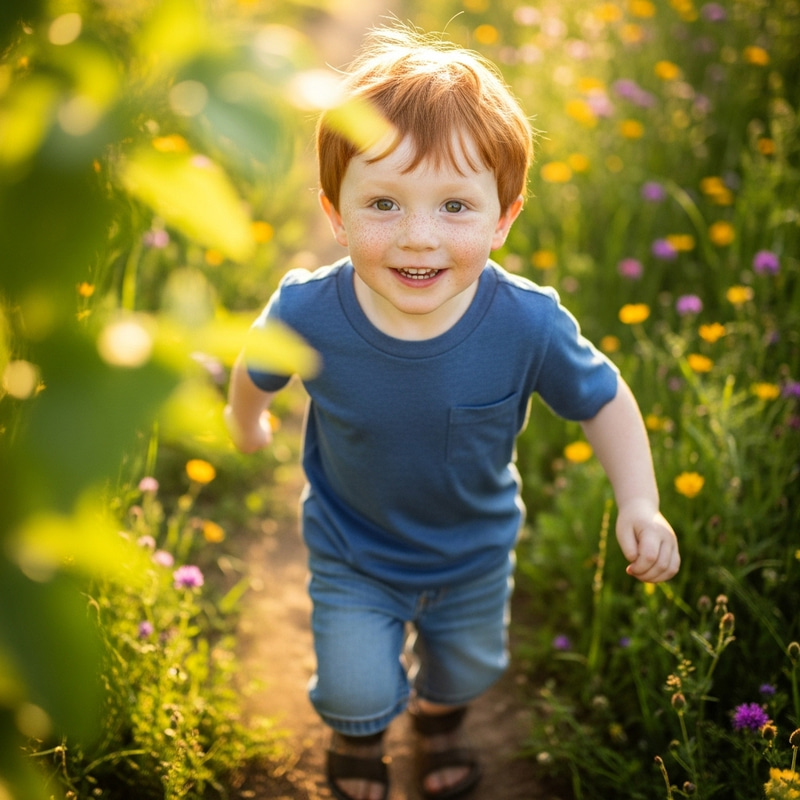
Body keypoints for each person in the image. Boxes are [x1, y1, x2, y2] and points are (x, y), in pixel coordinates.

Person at [225, 23, 680, 800]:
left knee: (464, 668)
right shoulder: (308, 312)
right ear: (334, 212)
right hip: (352, 546)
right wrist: (246, 423)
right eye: (384, 203)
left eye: (455, 206)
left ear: (504, 217)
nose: (419, 237)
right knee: (354, 685)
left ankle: (438, 723)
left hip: (473, 551)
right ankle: (360, 735)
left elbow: (603, 398)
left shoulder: (526, 323)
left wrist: (640, 499)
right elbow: (255, 370)